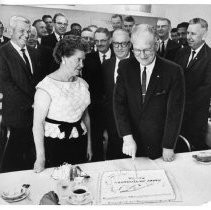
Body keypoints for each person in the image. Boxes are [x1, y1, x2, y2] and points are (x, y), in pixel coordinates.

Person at [113, 24, 185, 161]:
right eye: (137, 50)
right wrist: (127, 137)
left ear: (156, 45)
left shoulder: (173, 71)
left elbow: (174, 112)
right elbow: (119, 104)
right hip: (130, 143)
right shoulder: (125, 67)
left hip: (159, 143)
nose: (142, 55)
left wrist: (168, 145)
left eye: (147, 50)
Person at [33, 37, 92, 172]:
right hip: (55, 144)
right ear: (64, 57)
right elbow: (38, 125)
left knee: (79, 184)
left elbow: (86, 117)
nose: (82, 65)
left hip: (79, 141)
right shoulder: (46, 87)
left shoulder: (83, 84)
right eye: (78, 60)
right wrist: (40, 158)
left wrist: (89, 145)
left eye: (83, 60)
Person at [0, 16, 40, 172]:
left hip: (36, 118)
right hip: (15, 119)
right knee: (13, 164)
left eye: (28, 31)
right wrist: (32, 104)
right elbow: (6, 85)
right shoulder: (2, 54)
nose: (26, 35)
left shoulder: (34, 53)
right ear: (10, 31)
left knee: (32, 160)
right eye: (21, 31)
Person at [174, 18, 211, 151]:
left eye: (193, 34)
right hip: (177, 115)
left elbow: (204, 92)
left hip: (194, 119)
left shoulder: (209, 57)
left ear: (204, 34)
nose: (188, 37)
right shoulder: (182, 52)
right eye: (188, 33)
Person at [82, 27, 114, 161]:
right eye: (97, 41)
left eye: (103, 40)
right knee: (96, 142)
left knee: (114, 141)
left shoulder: (119, 57)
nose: (99, 44)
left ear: (110, 40)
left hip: (114, 109)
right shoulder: (87, 59)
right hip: (95, 109)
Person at [102, 28, 132, 160]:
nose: (119, 47)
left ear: (130, 44)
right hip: (112, 126)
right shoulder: (106, 65)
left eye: (123, 43)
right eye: (116, 44)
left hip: (133, 127)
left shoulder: (139, 65)